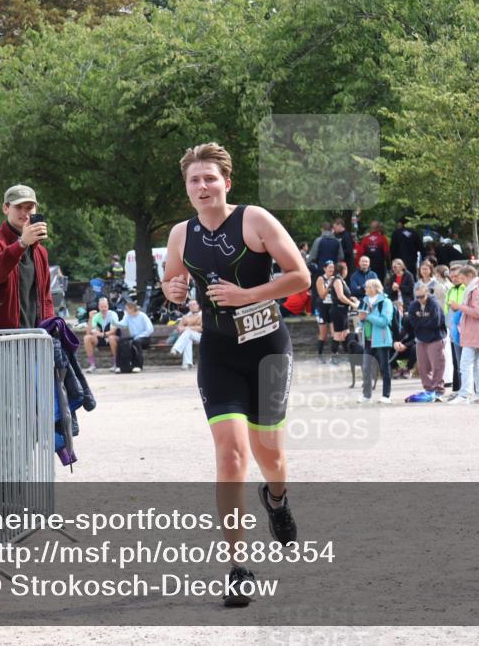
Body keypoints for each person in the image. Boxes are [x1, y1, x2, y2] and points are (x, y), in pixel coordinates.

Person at [160, 142, 309, 607]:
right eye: (193, 180)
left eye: (209, 178)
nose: (202, 187)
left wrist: (248, 295)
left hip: (266, 351)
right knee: (230, 456)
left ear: (227, 182)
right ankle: (237, 566)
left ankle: (278, 500)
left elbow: (300, 276)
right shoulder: (180, 234)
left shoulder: (255, 220)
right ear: (186, 188)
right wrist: (174, 286)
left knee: (272, 459)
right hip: (220, 351)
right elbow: (170, 284)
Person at [0, 184, 53, 330]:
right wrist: (22, 243)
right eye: (18, 207)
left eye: (29, 207)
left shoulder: (40, 251)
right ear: (5, 208)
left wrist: (49, 328)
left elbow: (46, 298)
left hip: (35, 337)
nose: (24, 212)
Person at [447, 265, 479, 404]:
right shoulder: (474, 289)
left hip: (473, 331)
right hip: (472, 330)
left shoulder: (476, 290)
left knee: (465, 364)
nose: (461, 281)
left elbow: (478, 312)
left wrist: (459, 307)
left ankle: (464, 394)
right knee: (476, 364)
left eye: (463, 278)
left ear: (470, 276)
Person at [404, 282, 447, 399]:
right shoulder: (413, 306)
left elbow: (436, 322)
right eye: (417, 297)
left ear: (427, 293)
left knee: (437, 365)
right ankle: (428, 389)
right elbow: (413, 322)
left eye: (422, 296)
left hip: (435, 338)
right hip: (420, 339)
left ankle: (438, 389)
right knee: (423, 367)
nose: (420, 299)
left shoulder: (434, 304)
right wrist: (424, 322)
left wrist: (421, 323)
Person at [356, 279, 394, 404]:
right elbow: (362, 320)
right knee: (366, 367)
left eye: (367, 287)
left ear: (375, 288)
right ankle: (366, 395)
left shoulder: (386, 302)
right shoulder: (364, 301)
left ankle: (386, 395)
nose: (365, 289)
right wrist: (361, 319)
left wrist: (367, 316)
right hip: (367, 340)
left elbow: (384, 321)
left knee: (384, 367)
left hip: (382, 340)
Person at [83, 297, 120, 373]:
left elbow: (113, 331)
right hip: (100, 338)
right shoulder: (96, 316)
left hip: (111, 337)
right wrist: (90, 318)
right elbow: (89, 332)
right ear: (98, 307)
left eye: (105, 306)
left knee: (111, 338)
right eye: (102, 307)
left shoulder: (113, 314)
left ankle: (116, 363)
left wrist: (102, 334)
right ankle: (92, 365)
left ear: (108, 306)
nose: (104, 309)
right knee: (87, 338)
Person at [116, 302, 154, 373]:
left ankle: (138, 366)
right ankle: (120, 366)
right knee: (121, 341)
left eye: (127, 309)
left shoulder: (143, 316)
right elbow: (122, 324)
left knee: (137, 342)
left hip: (145, 337)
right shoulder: (127, 316)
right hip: (134, 337)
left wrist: (138, 336)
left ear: (132, 309)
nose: (125, 310)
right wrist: (114, 323)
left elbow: (150, 330)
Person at [314, 261, 337, 363]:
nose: (331, 269)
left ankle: (334, 357)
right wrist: (330, 285)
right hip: (322, 307)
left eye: (333, 268)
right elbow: (322, 295)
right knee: (323, 333)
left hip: (332, 308)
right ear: (324, 269)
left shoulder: (335, 278)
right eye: (329, 267)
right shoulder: (320, 279)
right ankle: (319, 356)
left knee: (334, 333)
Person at [170, 299, 203, 369]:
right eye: (190, 305)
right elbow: (179, 328)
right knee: (187, 339)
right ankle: (187, 364)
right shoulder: (186, 316)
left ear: (198, 305)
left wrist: (187, 328)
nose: (192, 306)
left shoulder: (203, 315)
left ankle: (176, 349)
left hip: (202, 336)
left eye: (194, 304)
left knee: (187, 332)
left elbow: (202, 328)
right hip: (189, 336)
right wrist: (187, 329)